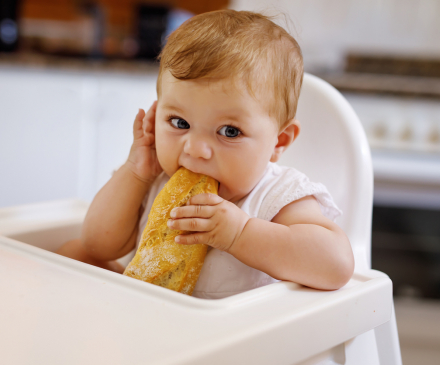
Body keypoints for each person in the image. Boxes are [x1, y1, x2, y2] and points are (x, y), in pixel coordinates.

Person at [57, 9, 354, 299]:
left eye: (230, 131)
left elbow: (336, 266)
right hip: (148, 318)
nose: (195, 149)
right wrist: (135, 171)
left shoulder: (278, 196)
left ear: (279, 141)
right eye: (180, 123)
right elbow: (97, 245)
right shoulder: (154, 179)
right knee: (75, 253)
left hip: (233, 338)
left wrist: (241, 233)